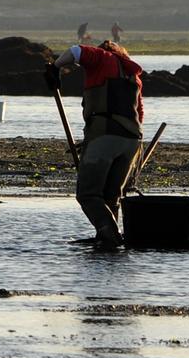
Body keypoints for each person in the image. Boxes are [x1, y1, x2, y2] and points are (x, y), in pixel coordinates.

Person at [48, 40, 144, 250]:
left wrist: (55, 68)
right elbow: (140, 114)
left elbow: (75, 51)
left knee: (88, 194)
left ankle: (111, 234)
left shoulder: (103, 57)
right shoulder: (133, 76)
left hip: (105, 135)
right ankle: (106, 240)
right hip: (131, 141)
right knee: (111, 195)